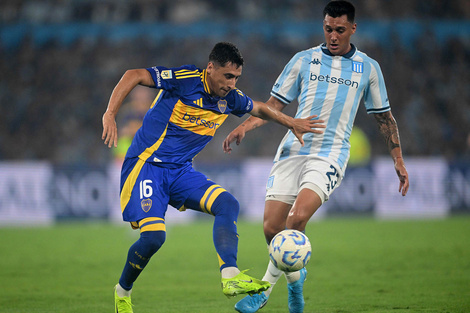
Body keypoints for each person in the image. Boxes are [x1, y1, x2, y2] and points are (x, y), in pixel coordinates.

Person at [101, 42, 325, 313]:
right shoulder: (185, 80)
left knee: (227, 204)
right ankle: (123, 291)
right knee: (153, 238)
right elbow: (133, 75)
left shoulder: (229, 99)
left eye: (236, 78)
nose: (232, 83)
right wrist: (110, 113)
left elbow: (260, 108)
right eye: (227, 76)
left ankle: (230, 275)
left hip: (181, 171)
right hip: (147, 166)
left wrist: (292, 123)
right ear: (210, 68)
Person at [223, 2, 410, 313]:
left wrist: (398, 159)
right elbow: (274, 105)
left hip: (330, 153)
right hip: (293, 149)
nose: (333, 36)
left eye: (339, 30)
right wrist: (245, 127)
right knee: (272, 228)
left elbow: (384, 118)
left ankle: (264, 291)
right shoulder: (303, 60)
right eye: (328, 29)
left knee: (296, 219)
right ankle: (296, 281)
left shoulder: (368, 68)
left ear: (352, 28)